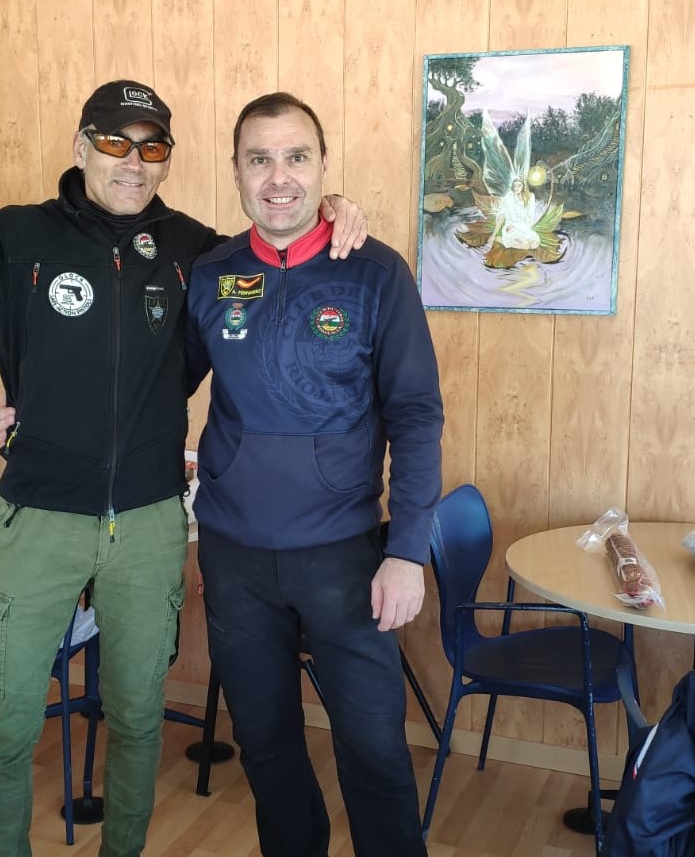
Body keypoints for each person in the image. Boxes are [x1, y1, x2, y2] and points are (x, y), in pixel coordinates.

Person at [0, 79, 366, 857]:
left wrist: (333, 212)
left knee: (136, 719)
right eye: (115, 142)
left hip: (151, 522)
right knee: (5, 721)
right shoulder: (16, 238)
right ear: (81, 146)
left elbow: (280, 261)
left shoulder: (195, 252)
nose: (133, 161)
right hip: (38, 518)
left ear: (168, 159)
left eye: (152, 147)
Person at [184, 92, 443, 857]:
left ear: (323, 165)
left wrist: (408, 552)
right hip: (234, 556)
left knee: (375, 749)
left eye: (296, 157)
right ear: (235, 170)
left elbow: (416, 416)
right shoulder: (211, 274)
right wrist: (35, 407)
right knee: (266, 746)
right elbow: (151, 385)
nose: (279, 178)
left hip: (345, 556)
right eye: (259, 159)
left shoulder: (376, 273)